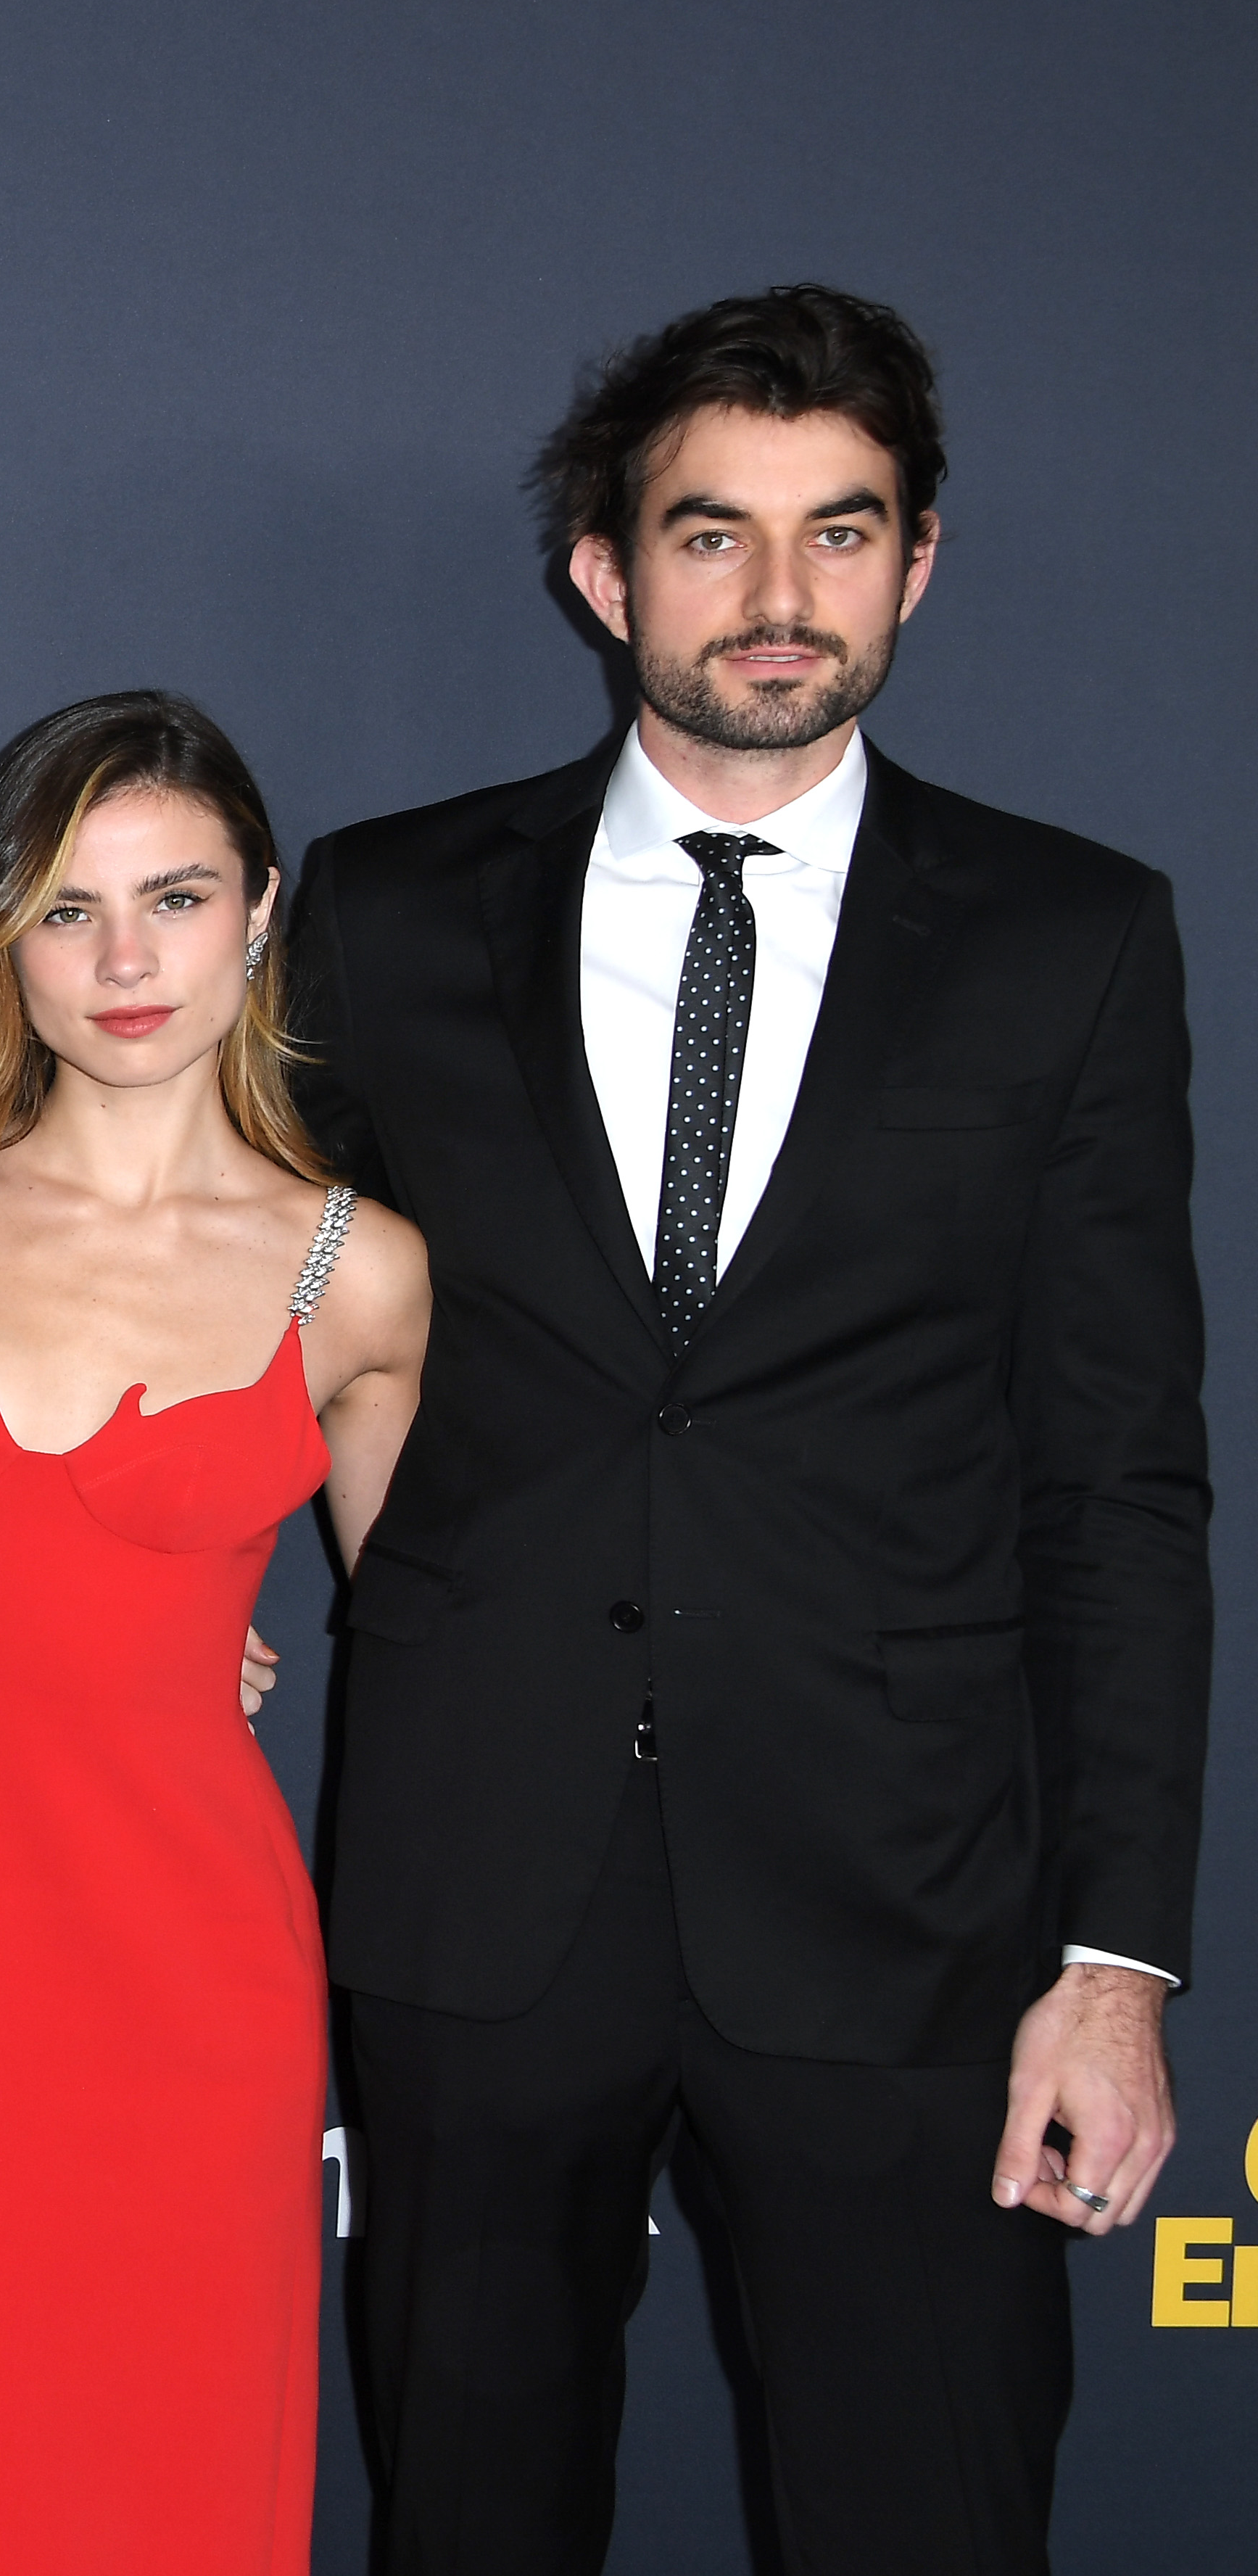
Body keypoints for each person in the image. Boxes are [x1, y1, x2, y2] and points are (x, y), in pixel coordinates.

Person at [286, 283, 1209, 2574]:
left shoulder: (1070, 939)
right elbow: (216, 1298)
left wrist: (1117, 1964)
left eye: (840, 533)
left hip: (906, 1918)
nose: (779, 598)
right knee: (471, 2523)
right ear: (606, 573)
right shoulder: (384, 914)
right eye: (714, 536)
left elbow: (1121, 1472)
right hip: (476, 1883)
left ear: (920, 565)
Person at [0, 691, 427, 2576]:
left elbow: (435, 1660)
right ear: (3, 936)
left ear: (261, 911)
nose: (126, 960)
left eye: (177, 898)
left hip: (189, 1990)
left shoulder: (354, 1269)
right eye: (68, 910)